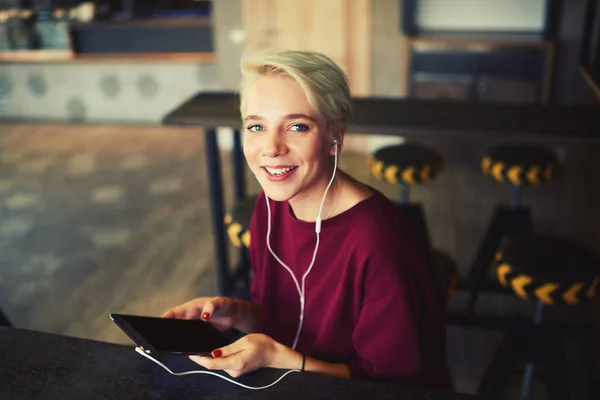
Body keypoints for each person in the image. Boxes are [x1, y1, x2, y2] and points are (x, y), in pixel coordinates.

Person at [162, 49, 448, 388]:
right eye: (256, 126)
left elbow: (393, 385)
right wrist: (238, 314)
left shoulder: (381, 243)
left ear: (334, 138)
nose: (270, 148)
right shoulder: (268, 210)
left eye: (297, 126)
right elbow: (294, 324)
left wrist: (279, 359)